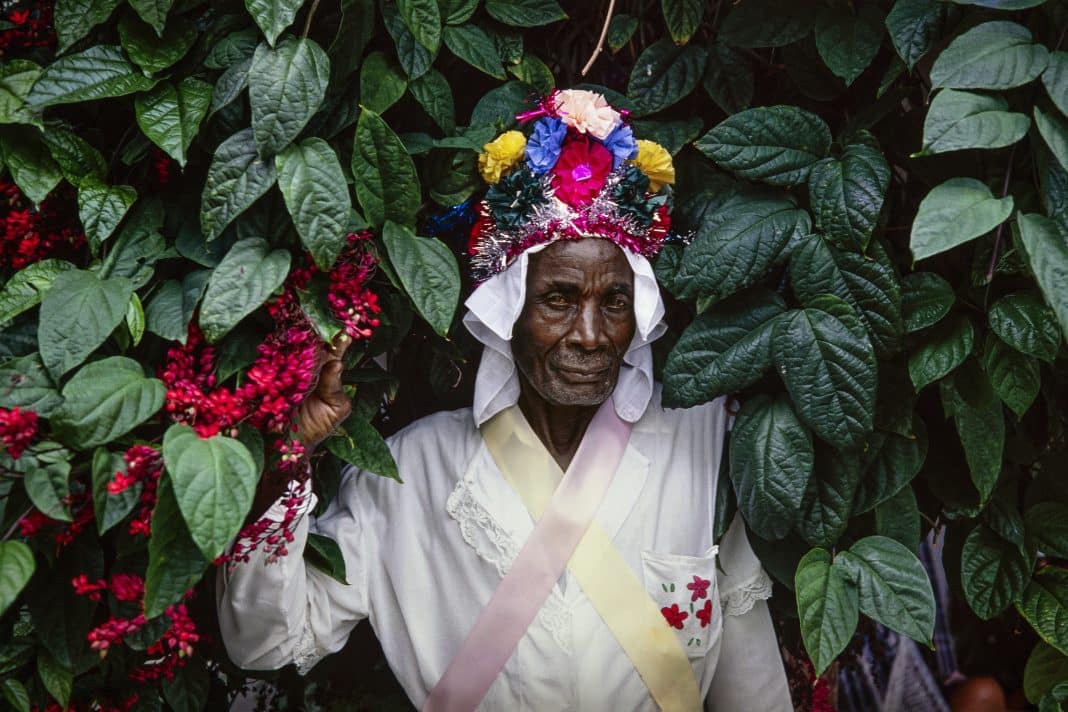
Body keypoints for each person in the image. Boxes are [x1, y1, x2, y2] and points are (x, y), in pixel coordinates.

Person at [217, 89, 792, 712]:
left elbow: (752, 681)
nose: (592, 335)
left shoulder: (703, 440)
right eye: (559, 300)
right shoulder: (410, 474)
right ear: (507, 312)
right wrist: (287, 459)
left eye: (615, 303)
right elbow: (266, 641)